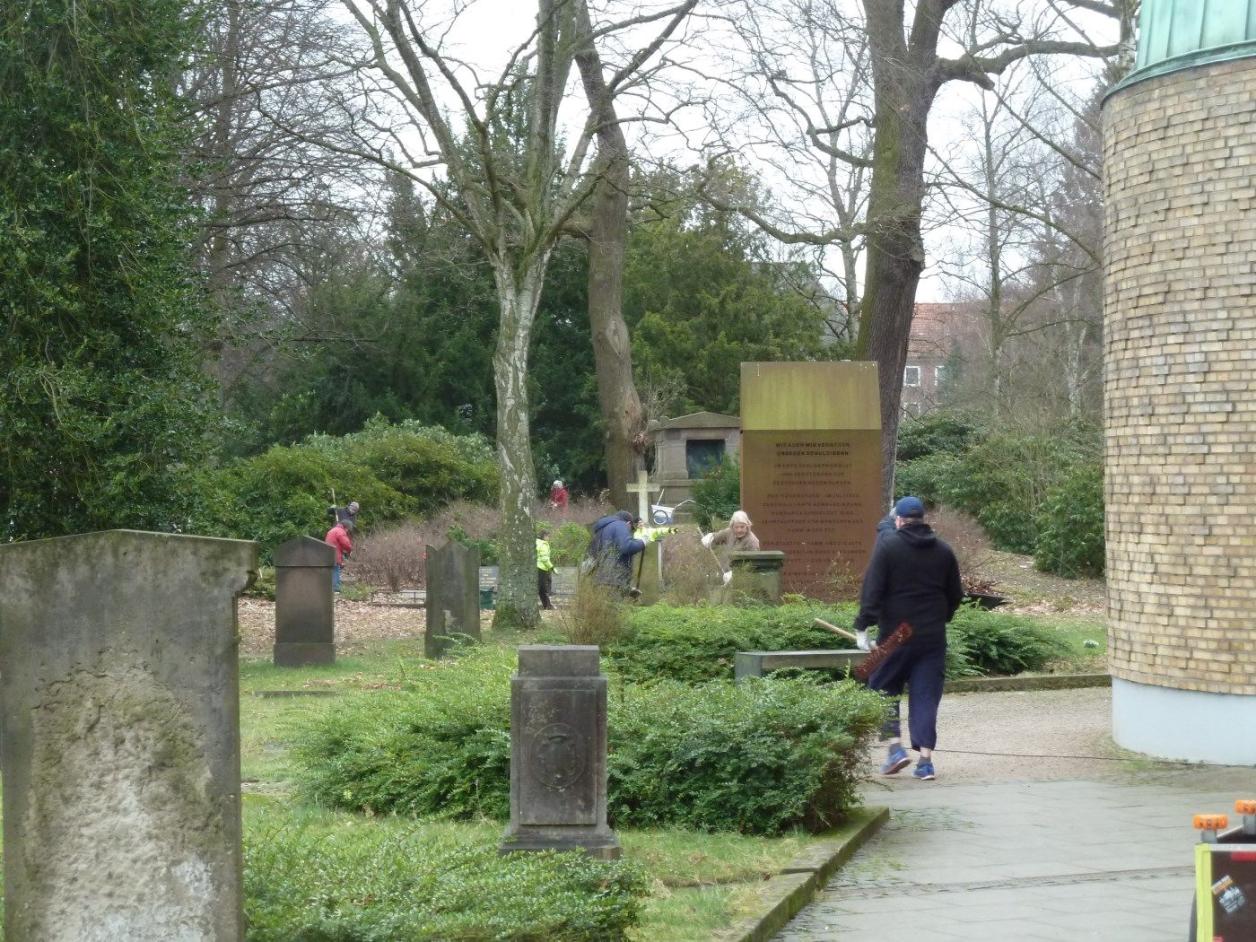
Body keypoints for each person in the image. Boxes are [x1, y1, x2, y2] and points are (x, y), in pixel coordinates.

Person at [854, 495, 963, 782]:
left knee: (880, 687)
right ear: (922, 519)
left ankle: (894, 750)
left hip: (897, 634)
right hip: (932, 636)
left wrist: (862, 627)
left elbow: (872, 589)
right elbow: (955, 595)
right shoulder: (943, 550)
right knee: (926, 695)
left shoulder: (888, 546)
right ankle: (925, 762)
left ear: (899, 520)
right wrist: (942, 617)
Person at [586, 510, 645, 594]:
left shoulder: (602, 528)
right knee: (617, 606)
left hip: (598, 580)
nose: (629, 532)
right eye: (630, 528)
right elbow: (626, 546)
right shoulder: (620, 525)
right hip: (615, 581)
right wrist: (642, 542)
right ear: (628, 523)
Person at [324, 518, 354, 593]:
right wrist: (350, 550)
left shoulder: (333, 530)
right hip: (334, 554)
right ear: (346, 527)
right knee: (336, 570)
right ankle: (336, 589)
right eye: (348, 529)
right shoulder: (341, 532)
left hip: (328, 553)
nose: (347, 531)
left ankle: (333, 588)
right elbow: (346, 544)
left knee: (333, 570)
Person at [536, 526, 555, 610]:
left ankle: (547, 606)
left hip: (538, 568)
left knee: (542, 589)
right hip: (541, 568)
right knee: (540, 588)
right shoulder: (543, 544)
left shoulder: (537, 542)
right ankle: (547, 606)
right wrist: (552, 567)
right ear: (543, 536)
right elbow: (544, 558)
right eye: (548, 536)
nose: (549, 538)